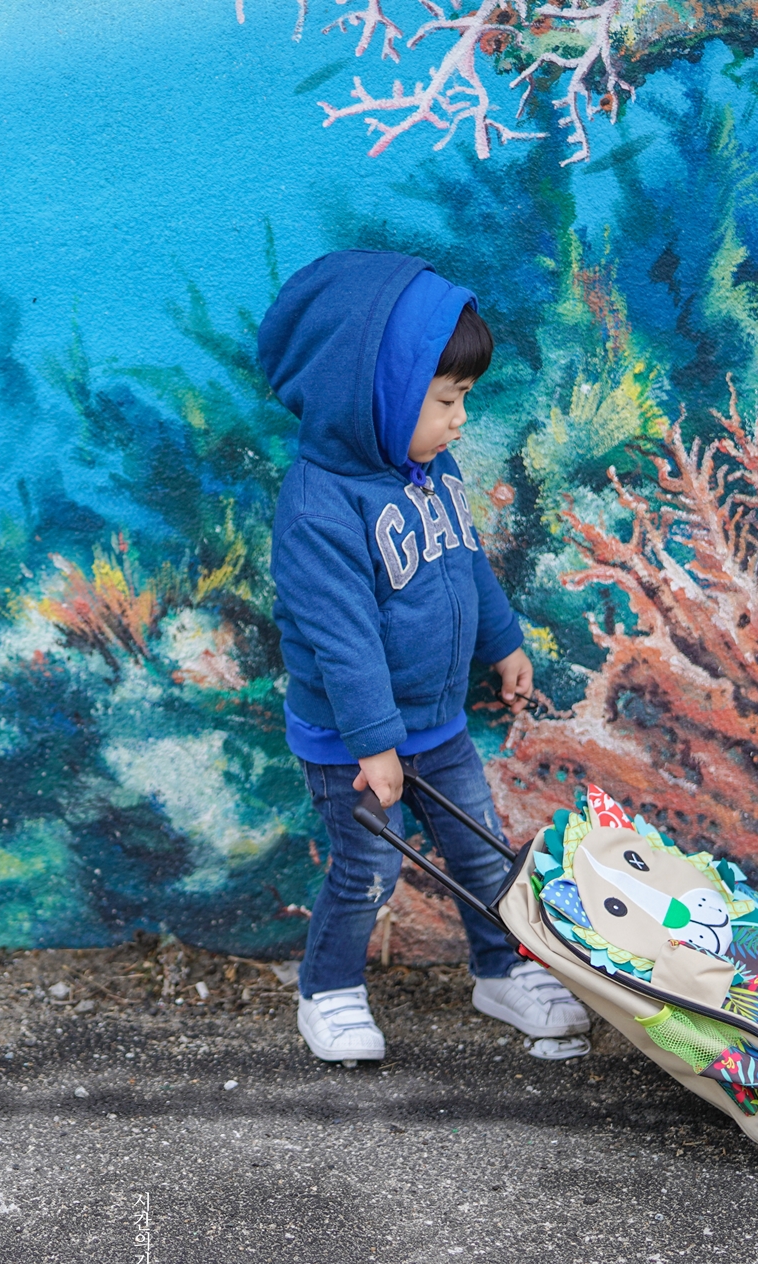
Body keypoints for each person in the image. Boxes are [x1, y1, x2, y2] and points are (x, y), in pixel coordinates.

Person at [257, 250, 590, 1064]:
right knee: (369, 865)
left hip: (437, 724)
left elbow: (466, 561)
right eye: (445, 400)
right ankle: (328, 990)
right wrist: (374, 746)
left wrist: (503, 642)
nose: (460, 419)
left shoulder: (432, 472)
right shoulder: (318, 509)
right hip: (352, 742)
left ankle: (500, 969)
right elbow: (342, 637)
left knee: (481, 849)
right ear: (372, 395)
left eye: (464, 398)